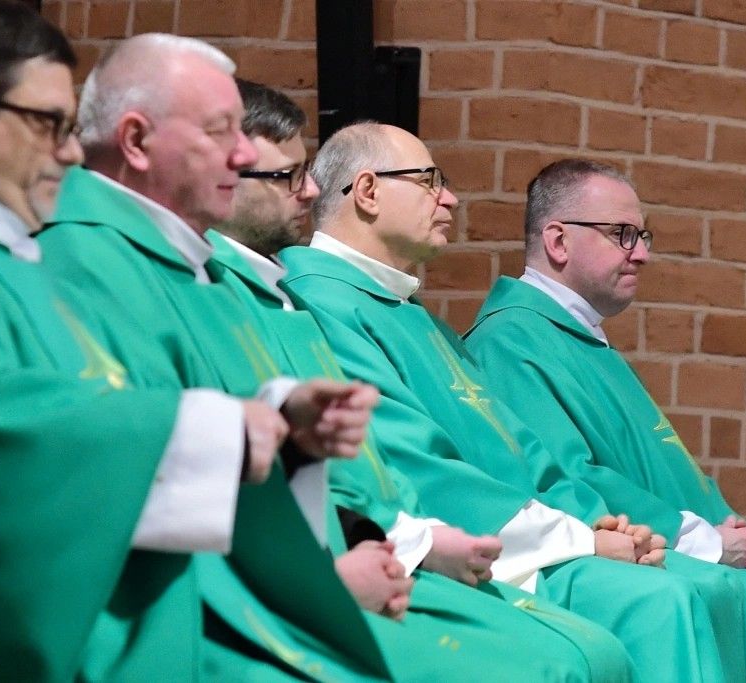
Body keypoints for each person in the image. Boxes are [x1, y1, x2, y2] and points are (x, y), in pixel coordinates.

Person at [39, 34, 628, 681]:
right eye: (220, 131)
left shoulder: (199, 272)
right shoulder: (85, 260)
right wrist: (333, 571)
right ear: (135, 141)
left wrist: (317, 466)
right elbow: (97, 472)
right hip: (178, 611)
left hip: (301, 565)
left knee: (588, 653)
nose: (245, 154)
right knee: (547, 665)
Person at [0, 1, 337, 680]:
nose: (72, 151)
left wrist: (270, 420)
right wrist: (213, 428)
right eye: (49, 124)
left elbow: (88, 399)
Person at [279, 122, 746, 683]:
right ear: (369, 192)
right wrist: (583, 538)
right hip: (468, 552)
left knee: (709, 590)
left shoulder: (413, 317)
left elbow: (526, 453)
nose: (451, 198)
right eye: (430, 181)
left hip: (534, 536)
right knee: (668, 602)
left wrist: (601, 524)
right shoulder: (320, 302)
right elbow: (420, 467)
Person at [208, 78, 637, 681]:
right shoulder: (306, 299)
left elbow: (517, 450)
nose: (310, 191)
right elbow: (397, 459)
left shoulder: (386, 314)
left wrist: (589, 522)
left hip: (402, 540)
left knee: (604, 643)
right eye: (430, 181)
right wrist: (400, 544)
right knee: (580, 651)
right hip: (309, 567)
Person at [464, 157, 746, 680]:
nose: (642, 253)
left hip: (702, 551)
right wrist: (706, 540)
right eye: (623, 235)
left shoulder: (576, 337)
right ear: (558, 241)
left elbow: (654, 466)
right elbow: (565, 482)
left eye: (643, 235)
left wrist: (737, 529)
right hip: (653, 563)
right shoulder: (509, 341)